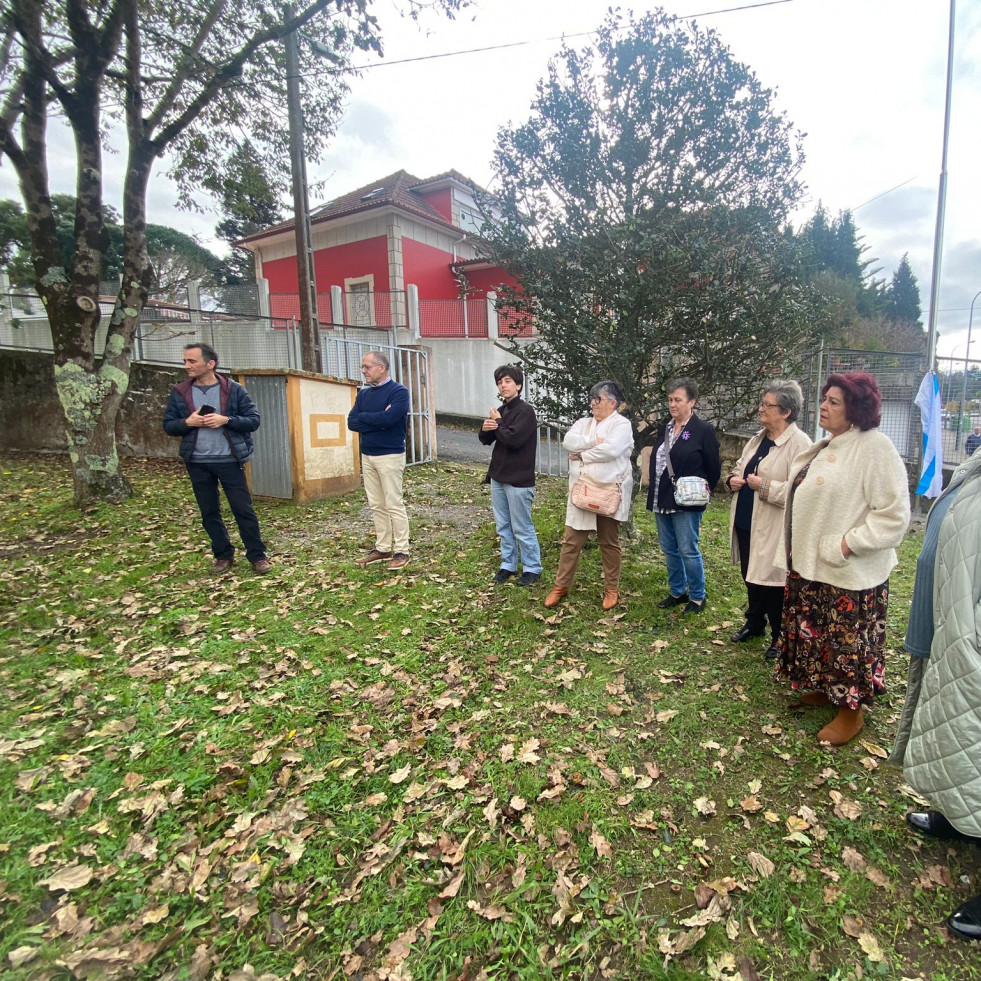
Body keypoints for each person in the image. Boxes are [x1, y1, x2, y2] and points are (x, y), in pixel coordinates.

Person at [776, 372, 910, 746]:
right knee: (818, 634)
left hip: (848, 571)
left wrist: (848, 544)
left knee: (845, 642)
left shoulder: (874, 447)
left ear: (856, 409)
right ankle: (824, 686)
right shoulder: (828, 445)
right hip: (812, 566)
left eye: (834, 401)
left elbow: (894, 515)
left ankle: (851, 712)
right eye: (825, 399)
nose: (823, 406)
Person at [890, 450, 981, 942]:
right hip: (951, 628)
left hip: (970, 638)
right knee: (964, 735)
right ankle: (963, 815)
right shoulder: (976, 466)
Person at [163, 342, 271, 574]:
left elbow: (253, 420)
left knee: (243, 510)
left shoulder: (234, 390)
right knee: (209, 511)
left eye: (192, 361)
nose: (187, 366)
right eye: (185, 361)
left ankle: (257, 556)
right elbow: (169, 425)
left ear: (210, 364)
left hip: (229, 460)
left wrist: (226, 420)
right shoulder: (180, 392)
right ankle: (223, 555)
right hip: (197, 462)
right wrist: (187, 422)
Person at [725, 381, 811, 657]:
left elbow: (801, 491)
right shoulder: (758, 438)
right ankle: (755, 623)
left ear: (785, 411)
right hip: (746, 521)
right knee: (751, 576)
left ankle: (779, 635)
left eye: (767, 405)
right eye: (762, 404)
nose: (761, 409)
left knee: (773, 583)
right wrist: (732, 479)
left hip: (773, 527)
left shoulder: (801, 445)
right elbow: (741, 466)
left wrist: (763, 487)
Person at [544, 381, 633, 611]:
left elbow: (611, 450)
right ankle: (560, 586)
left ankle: (612, 589)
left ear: (613, 403)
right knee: (572, 540)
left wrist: (582, 455)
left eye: (598, 399)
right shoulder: (584, 423)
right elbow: (568, 442)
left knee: (609, 542)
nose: (593, 403)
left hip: (607, 491)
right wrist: (593, 442)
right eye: (592, 399)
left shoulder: (622, 425)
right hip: (582, 490)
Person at [646, 377, 721, 614]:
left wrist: (699, 490)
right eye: (670, 399)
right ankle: (678, 591)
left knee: (688, 549)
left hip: (687, 502)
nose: (672, 404)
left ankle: (698, 596)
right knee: (669, 548)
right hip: (661, 496)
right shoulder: (665, 428)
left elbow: (713, 468)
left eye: (678, 400)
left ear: (692, 402)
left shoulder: (703, 430)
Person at [478, 364, 542, 586]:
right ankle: (508, 564)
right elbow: (487, 439)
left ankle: (532, 567)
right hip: (498, 476)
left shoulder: (525, 411)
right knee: (503, 525)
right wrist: (486, 428)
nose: (503, 385)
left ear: (518, 385)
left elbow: (513, 439)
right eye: (499, 382)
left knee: (521, 525)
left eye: (507, 381)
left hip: (519, 479)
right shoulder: (502, 410)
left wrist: (496, 423)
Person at [348, 350, 411, 570]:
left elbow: (391, 418)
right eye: (363, 367)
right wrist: (377, 419)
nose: (363, 371)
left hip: (390, 454)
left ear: (381, 368)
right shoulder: (364, 394)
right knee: (376, 504)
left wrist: (368, 417)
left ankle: (402, 550)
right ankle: (383, 548)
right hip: (368, 454)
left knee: (393, 503)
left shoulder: (399, 392)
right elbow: (352, 422)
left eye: (367, 367)